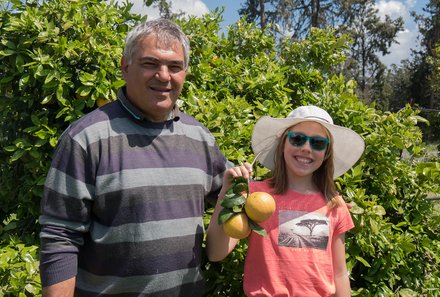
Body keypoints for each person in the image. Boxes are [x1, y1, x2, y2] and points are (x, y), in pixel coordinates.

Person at [39, 18, 228, 297]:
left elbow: (233, 195)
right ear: (125, 66)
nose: (164, 76)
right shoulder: (86, 138)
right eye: (150, 63)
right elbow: (60, 237)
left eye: (174, 66)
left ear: (185, 73)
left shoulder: (199, 137)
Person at [206, 105, 365, 297]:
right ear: (283, 144)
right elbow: (216, 253)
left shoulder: (334, 204)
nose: (306, 148)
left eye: (317, 143)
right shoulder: (253, 196)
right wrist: (226, 195)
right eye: (297, 139)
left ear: (326, 153)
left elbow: (339, 273)